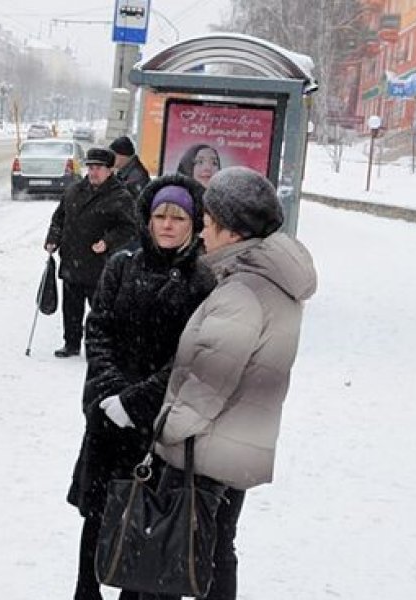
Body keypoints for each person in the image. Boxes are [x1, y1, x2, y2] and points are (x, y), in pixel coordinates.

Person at [147, 166, 317, 600]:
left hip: (204, 452)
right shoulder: (273, 281)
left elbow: (211, 381)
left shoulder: (241, 290)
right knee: (217, 550)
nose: (201, 233)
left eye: (206, 223)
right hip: (237, 447)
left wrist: (166, 426)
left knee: (172, 556)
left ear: (233, 232)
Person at [65, 174, 216, 600]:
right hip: (107, 420)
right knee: (97, 517)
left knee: (146, 523)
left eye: (178, 217)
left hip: (159, 426)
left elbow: (191, 358)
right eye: (160, 216)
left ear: (193, 224)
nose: (167, 224)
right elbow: (98, 331)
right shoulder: (121, 266)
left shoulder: (201, 282)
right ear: (148, 220)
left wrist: (137, 401)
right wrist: (110, 392)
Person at [44, 147, 137, 358]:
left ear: (109, 171)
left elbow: (129, 227)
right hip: (71, 259)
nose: (94, 172)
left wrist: (107, 242)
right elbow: (59, 218)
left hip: (99, 264)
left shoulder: (120, 196)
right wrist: (52, 239)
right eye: (91, 167)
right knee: (71, 308)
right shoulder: (74, 191)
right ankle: (71, 343)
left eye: (99, 168)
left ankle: (98, 347)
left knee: (99, 311)